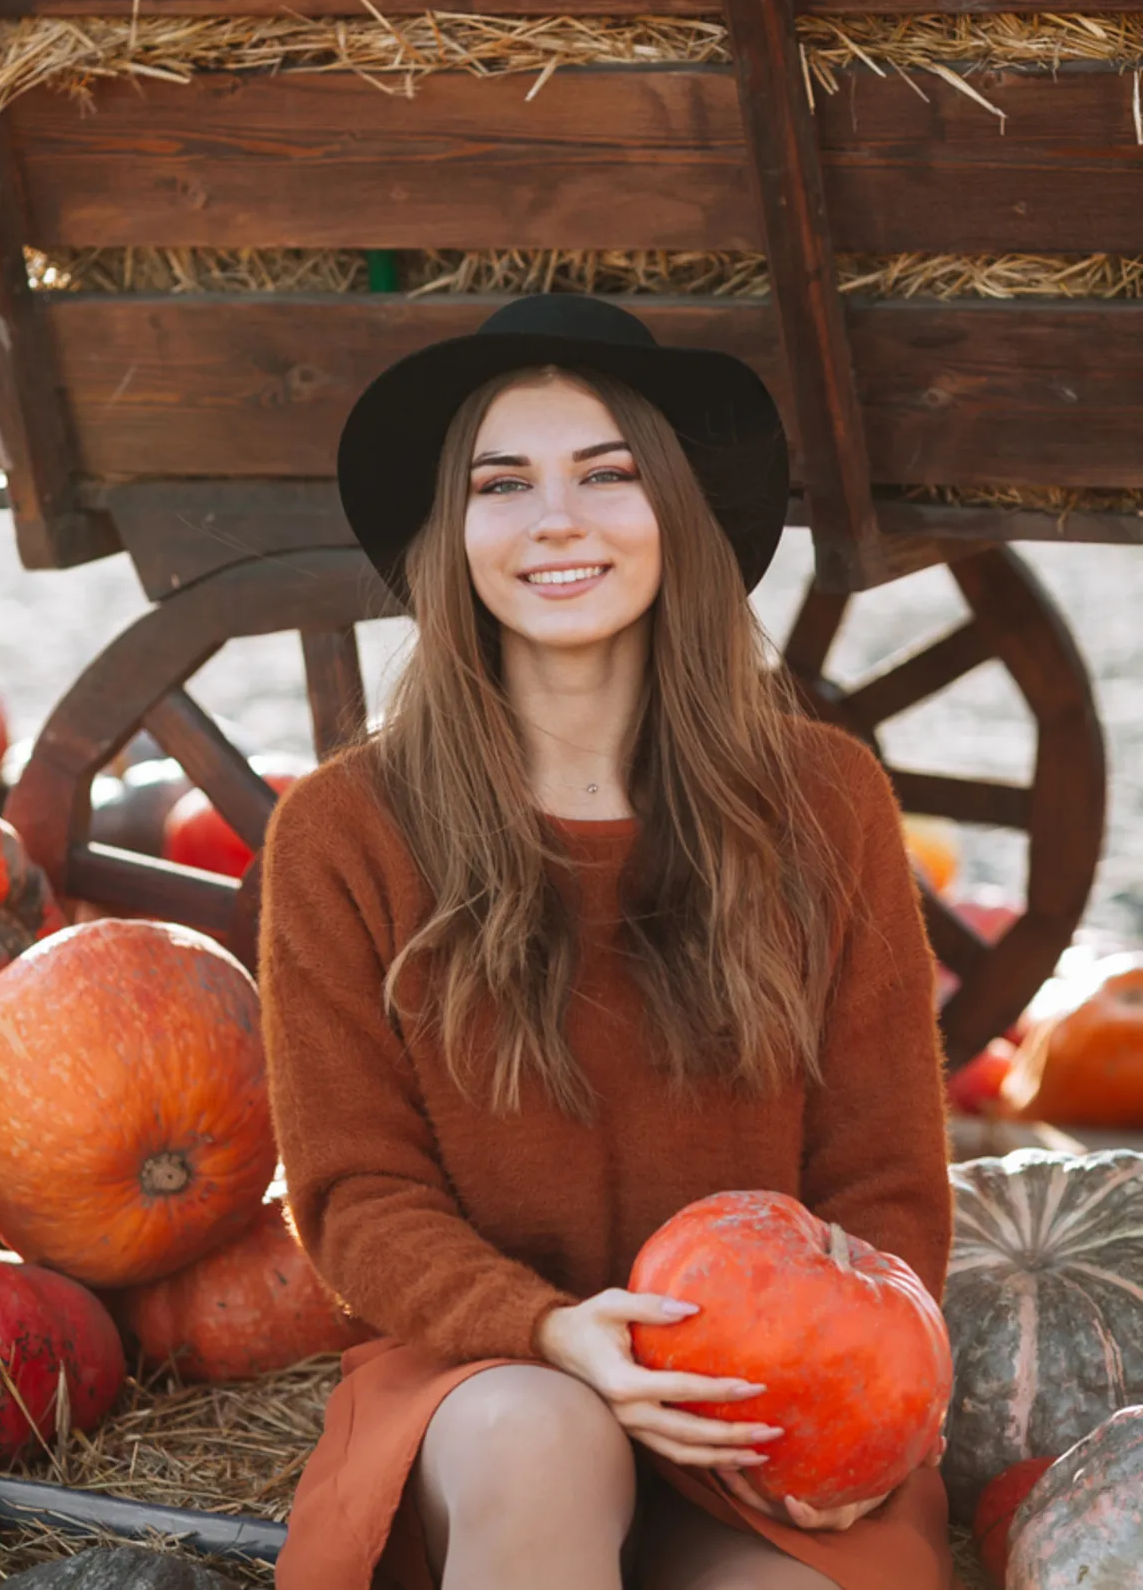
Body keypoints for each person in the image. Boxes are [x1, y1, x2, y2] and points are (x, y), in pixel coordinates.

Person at [258, 294, 954, 1590]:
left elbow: (885, 1177)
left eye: (607, 473)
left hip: (759, 1395)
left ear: (678, 512)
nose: (556, 519)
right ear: (452, 535)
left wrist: (852, 1383)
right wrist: (545, 1328)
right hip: (488, 1374)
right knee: (546, 1441)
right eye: (502, 483)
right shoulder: (345, 828)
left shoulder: (826, 800)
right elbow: (356, 1192)